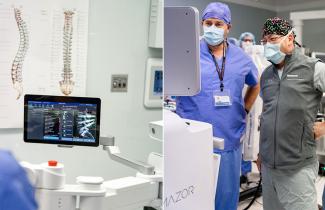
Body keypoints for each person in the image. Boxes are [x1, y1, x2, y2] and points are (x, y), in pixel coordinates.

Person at [175, 2, 260, 209]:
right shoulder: (188, 52)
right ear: (202, 24)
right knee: (190, 196)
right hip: (191, 137)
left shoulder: (241, 58)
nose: (212, 28)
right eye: (208, 23)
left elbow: (255, 84)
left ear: (228, 27)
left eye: (218, 24)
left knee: (225, 197)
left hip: (228, 138)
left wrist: (246, 109)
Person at [257, 17, 325, 210]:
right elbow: (267, 114)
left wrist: (324, 126)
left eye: (273, 39)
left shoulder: (314, 68)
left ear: (289, 39)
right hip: (269, 167)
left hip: (298, 167)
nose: (268, 45)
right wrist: (262, 153)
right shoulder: (266, 75)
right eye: (265, 41)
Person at [239, 32, 257, 183]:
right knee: (238, 140)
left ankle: (246, 174)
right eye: (245, 40)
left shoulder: (256, 60)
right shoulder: (235, 58)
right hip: (236, 108)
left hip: (251, 107)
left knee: (249, 141)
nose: (247, 42)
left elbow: (256, 85)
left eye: (250, 40)